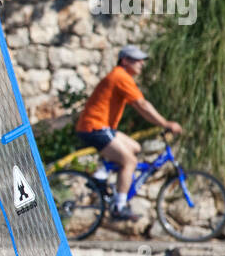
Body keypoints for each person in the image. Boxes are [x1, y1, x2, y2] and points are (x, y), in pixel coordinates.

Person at [74, 44, 183, 220]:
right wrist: (165, 123)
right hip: (94, 127)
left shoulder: (121, 76)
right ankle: (119, 206)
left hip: (101, 127)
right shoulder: (120, 76)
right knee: (129, 160)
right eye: (137, 60)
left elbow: (140, 106)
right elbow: (142, 105)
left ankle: (102, 173)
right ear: (124, 61)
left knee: (135, 147)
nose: (141, 63)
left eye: (142, 60)